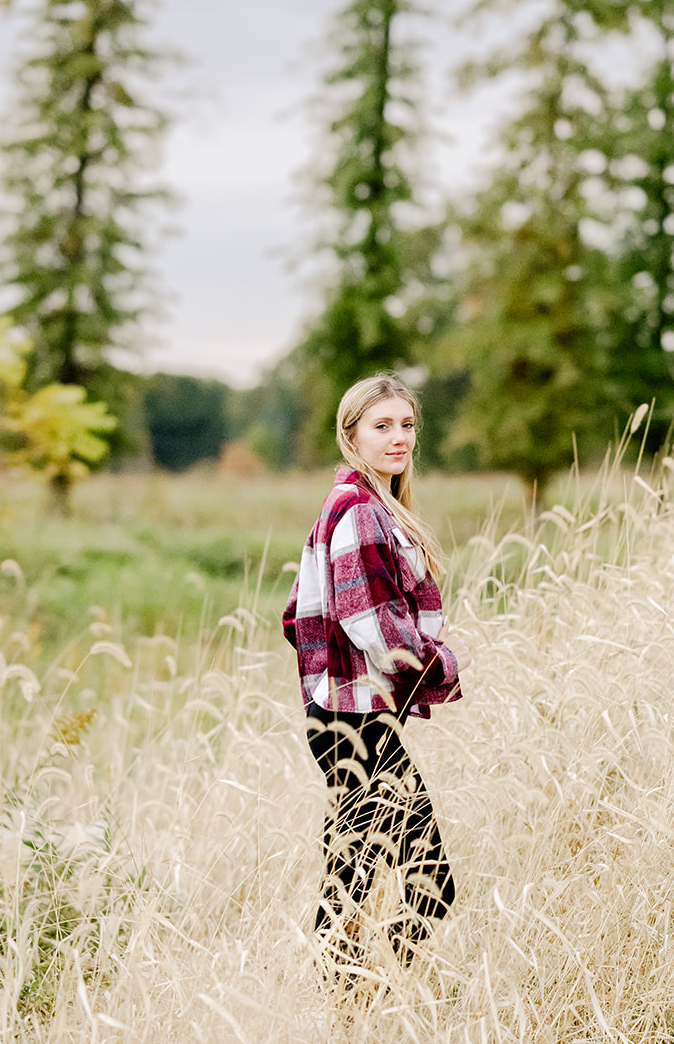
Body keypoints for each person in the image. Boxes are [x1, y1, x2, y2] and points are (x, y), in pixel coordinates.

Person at [282, 373, 467, 975]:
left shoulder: (372, 507)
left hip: (350, 714)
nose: (399, 439)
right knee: (427, 883)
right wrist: (440, 665)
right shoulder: (359, 510)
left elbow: (304, 616)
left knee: (351, 881)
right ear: (351, 436)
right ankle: (363, 1007)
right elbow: (370, 621)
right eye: (381, 426)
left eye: (407, 425)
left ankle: (355, 1012)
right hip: (348, 721)